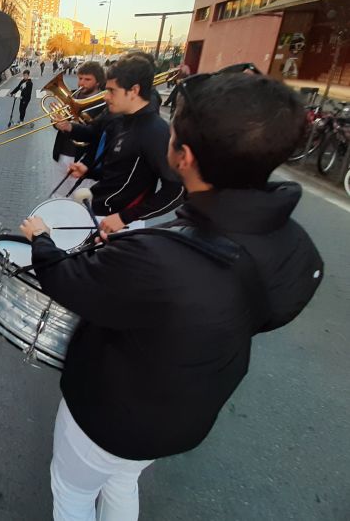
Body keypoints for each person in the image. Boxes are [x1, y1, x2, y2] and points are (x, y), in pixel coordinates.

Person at [20, 72, 322, 521]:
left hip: (109, 413)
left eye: (173, 129)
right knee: (123, 481)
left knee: (72, 491)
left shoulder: (155, 257)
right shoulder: (300, 248)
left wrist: (42, 241)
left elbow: (68, 281)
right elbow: (256, 311)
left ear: (184, 157)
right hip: (187, 411)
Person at [56, 54, 183, 233]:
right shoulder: (118, 118)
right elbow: (121, 171)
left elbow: (176, 191)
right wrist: (89, 170)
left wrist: (126, 217)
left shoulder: (156, 132)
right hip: (97, 209)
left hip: (121, 224)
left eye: (112, 91)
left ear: (134, 91)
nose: (105, 97)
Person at [52, 62, 106, 170]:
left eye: (87, 79)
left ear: (98, 82)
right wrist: (57, 120)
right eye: (80, 78)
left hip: (83, 158)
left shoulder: (104, 102)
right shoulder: (70, 95)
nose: (81, 83)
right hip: (61, 153)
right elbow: (55, 123)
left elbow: (97, 132)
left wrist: (72, 125)